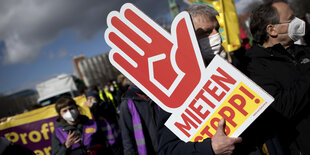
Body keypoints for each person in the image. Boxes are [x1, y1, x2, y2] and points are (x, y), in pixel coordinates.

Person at [157, 4, 242, 155]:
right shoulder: (174, 87)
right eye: (206, 32)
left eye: (217, 29)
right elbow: (168, 149)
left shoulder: (232, 67)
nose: (217, 35)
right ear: (186, 39)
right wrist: (210, 148)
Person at [244, 1, 310, 154]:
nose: (298, 22)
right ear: (272, 29)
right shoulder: (255, 67)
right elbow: (283, 107)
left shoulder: (304, 51)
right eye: (291, 19)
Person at [119, 85, 159, 155]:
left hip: (167, 148)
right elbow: (127, 137)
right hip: (148, 151)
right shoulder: (126, 104)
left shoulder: (158, 95)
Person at [84, 91, 123, 155]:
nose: (90, 100)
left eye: (92, 98)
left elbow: (104, 112)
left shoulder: (104, 105)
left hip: (114, 139)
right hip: (104, 142)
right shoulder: (90, 109)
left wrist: (93, 106)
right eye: (88, 99)